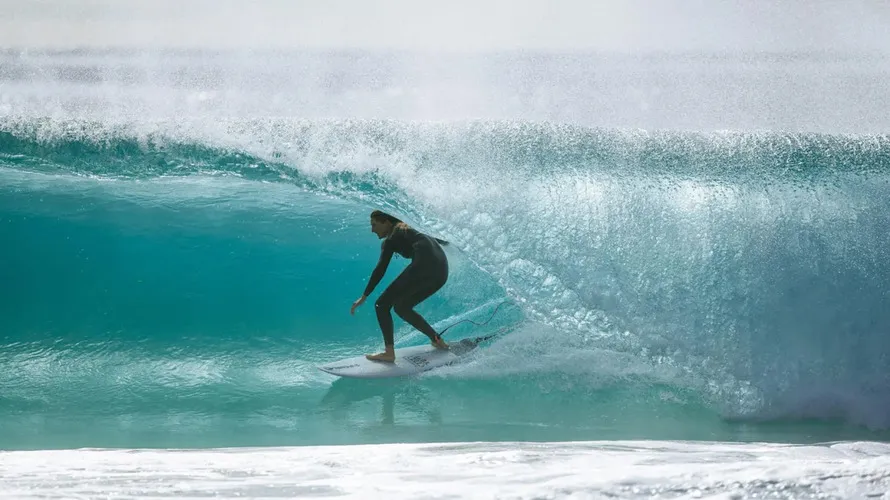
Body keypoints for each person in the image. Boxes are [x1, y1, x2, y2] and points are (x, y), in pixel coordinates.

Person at [350, 210, 450, 362]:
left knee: (381, 305)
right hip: (441, 272)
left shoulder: (391, 239)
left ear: (387, 222)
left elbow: (380, 268)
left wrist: (364, 296)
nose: (372, 229)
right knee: (401, 307)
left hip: (424, 266)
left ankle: (389, 353)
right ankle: (437, 340)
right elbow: (441, 242)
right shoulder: (412, 230)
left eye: (374, 225)